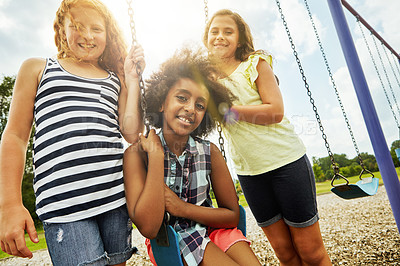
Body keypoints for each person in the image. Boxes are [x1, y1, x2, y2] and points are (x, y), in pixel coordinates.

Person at [0, 0, 144, 265]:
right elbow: (15, 136)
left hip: (113, 200)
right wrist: (9, 203)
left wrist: (131, 82)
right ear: (61, 30)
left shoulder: (113, 78)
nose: (88, 35)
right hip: (64, 207)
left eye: (96, 29)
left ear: (107, 34)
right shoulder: (38, 69)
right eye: (77, 26)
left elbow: (132, 133)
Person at [203, 9, 331, 266]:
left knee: (310, 251)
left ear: (239, 39)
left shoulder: (255, 63)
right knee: (284, 252)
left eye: (228, 31)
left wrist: (231, 112)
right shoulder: (206, 79)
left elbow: (275, 110)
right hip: (250, 173)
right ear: (206, 39)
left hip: (286, 161)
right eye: (214, 32)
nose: (220, 37)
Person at [123, 48, 261, 266]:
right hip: (172, 240)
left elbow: (232, 215)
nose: (190, 109)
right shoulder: (138, 154)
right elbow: (149, 228)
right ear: (161, 102)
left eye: (200, 105)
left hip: (213, 229)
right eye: (181, 98)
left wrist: (182, 208)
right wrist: (157, 157)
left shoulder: (210, 152)